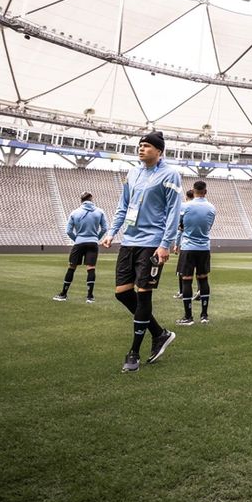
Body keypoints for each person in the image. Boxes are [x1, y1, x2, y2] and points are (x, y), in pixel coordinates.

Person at [102, 131, 181, 373]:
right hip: (130, 240)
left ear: (159, 151)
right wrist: (112, 231)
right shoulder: (133, 172)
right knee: (122, 293)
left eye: (147, 146)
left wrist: (165, 243)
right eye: (140, 145)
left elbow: (173, 211)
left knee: (144, 294)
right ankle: (159, 333)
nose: (142, 148)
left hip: (153, 242)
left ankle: (134, 352)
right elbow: (123, 205)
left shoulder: (170, 174)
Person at [174, 181, 216, 326]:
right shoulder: (211, 208)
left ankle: (188, 316)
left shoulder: (185, 206)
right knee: (203, 280)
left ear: (193, 190)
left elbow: (179, 225)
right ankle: (204, 315)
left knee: (186, 280)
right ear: (205, 191)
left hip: (188, 247)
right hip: (204, 247)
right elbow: (209, 226)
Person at [55, 192, 108, 303]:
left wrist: (77, 239)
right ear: (91, 199)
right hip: (93, 243)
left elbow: (68, 231)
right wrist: (95, 238)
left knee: (71, 267)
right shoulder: (99, 212)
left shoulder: (74, 213)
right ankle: (90, 296)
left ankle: (63, 294)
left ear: (81, 200)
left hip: (79, 242)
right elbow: (104, 229)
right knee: (91, 268)